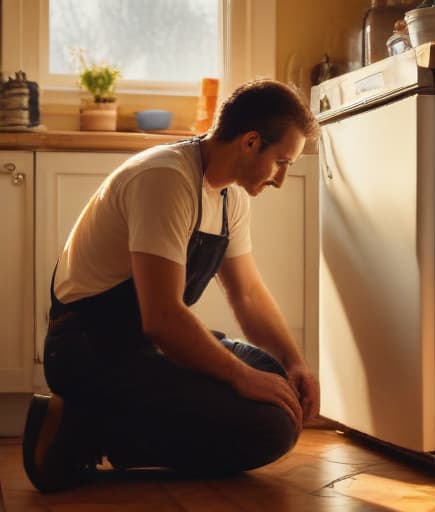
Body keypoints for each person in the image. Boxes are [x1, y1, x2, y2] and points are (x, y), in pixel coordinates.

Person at [22, 79, 320, 493]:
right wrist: (238, 378)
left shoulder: (231, 198)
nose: (282, 178)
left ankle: (98, 420)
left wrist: (294, 362)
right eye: (283, 162)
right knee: (268, 427)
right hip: (87, 348)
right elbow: (162, 317)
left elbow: (247, 294)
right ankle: (78, 425)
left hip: (146, 347)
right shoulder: (166, 178)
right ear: (251, 142)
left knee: (275, 383)